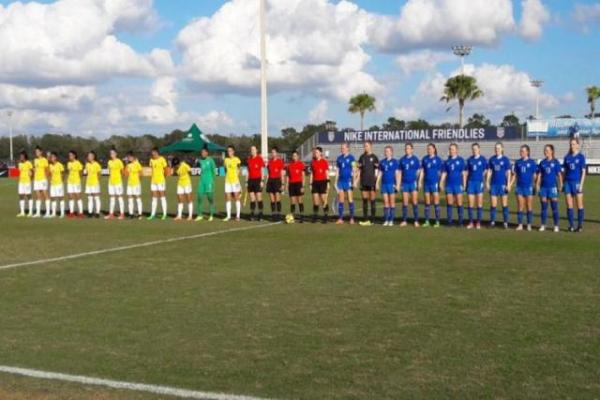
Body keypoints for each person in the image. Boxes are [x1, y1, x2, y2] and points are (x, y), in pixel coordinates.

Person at [510, 145, 537, 231]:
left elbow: (535, 175)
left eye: (523, 151)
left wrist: (535, 185)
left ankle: (529, 224)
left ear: (527, 152)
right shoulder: (518, 162)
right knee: (520, 206)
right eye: (521, 151)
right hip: (519, 187)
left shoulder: (532, 162)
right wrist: (510, 184)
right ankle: (520, 224)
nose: (521, 152)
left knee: (529, 206)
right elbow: (515, 175)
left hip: (528, 187)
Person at [536, 144, 562, 233]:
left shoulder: (556, 162)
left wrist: (560, 184)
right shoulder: (542, 162)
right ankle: (543, 225)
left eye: (547, 150)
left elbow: (559, 175)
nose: (546, 151)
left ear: (552, 151)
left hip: (553, 187)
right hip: (543, 187)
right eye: (545, 150)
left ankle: (556, 226)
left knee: (554, 207)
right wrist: (537, 184)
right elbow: (539, 175)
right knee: (544, 207)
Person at [563, 138, 586, 232]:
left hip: (576, 183)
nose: (572, 146)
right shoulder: (567, 157)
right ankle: (571, 225)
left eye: (573, 144)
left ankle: (580, 226)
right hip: (568, 183)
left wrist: (581, 185)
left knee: (579, 205)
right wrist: (563, 183)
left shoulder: (581, 157)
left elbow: (583, 172)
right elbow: (565, 171)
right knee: (569, 205)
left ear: (577, 145)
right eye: (571, 144)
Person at [486, 143, 512, 229]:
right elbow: (489, 171)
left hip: (503, 184)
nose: (497, 150)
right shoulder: (492, 159)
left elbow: (508, 172)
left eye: (499, 148)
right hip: (493, 184)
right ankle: (492, 222)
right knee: (493, 205)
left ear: (502, 149)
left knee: (504, 204)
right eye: (496, 148)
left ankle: (505, 223)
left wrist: (508, 184)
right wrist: (487, 182)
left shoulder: (505, 160)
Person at [440, 143, 466, 227]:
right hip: (449, 185)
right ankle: (449, 221)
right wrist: (441, 182)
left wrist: (464, 184)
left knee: (459, 203)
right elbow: (444, 173)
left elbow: (463, 174)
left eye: (453, 149)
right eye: (450, 149)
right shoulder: (447, 161)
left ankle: (460, 222)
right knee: (449, 203)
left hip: (458, 185)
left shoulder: (461, 160)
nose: (451, 151)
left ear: (456, 150)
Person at [419, 144, 443, 228]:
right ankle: (427, 221)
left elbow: (440, 173)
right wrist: (419, 181)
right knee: (427, 203)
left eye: (430, 148)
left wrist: (440, 183)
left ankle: (437, 221)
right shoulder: (425, 159)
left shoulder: (438, 159)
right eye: (428, 149)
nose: (429, 150)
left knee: (436, 202)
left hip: (434, 183)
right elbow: (422, 171)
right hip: (426, 183)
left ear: (434, 149)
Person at [465, 143, 487, 229]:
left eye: (476, 149)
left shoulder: (483, 159)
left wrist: (482, 176)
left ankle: (478, 223)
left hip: (479, 183)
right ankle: (471, 222)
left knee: (479, 204)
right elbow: (467, 172)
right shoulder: (469, 160)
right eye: (473, 149)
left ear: (479, 149)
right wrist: (465, 183)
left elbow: (486, 169)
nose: (474, 150)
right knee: (470, 204)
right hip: (471, 183)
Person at [398, 143, 421, 227]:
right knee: (405, 202)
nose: (406, 150)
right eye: (406, 148)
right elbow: (400, 172)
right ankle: (404, 220)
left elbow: (419, 171)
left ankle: (416, 221)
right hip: (405, 183)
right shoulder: (402, 160)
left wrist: (417, 180)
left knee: (414, 202)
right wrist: (399, 183)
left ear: (412, 149)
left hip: (413, 183)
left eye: (408, 148)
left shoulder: (415, 159)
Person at [357, 141, 379, 226]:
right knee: (365, 200)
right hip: (364, 181)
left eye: (366, 146)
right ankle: (365, 219)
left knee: (372, 200)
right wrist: (356, 178)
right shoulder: (362, 157)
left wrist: (376, 181)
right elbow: (359, 169)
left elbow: (377, 171)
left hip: (372, 182)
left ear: (371, 146)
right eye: (364, 146)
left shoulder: (374, 157)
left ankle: (373, 220)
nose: (365, 147)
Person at [377, 145, 400, 226]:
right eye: (385, 151)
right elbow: (380, 173)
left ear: (391, 152)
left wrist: (397, 185)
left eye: (387, 151)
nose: (386, 152)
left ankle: (391, 220)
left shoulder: (395, 162)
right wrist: (377, 182)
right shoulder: (382, 162)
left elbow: (397, 174)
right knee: (386, 202)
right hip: (384, 184)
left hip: (391, 184)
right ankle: (386, 219)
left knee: (392, 202)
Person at [335, 143, 357, 224]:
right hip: (341, 181)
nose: (342, 149)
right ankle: (340, 219)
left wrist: (354, 181)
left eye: (343, 148)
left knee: (350, 200)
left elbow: (354, 169)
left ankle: (352, 219)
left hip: (348, 181)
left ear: (348, 148)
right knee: (341, 200)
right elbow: (337, 171)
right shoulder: (339, 158)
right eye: (341, 148)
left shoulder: (352, 158)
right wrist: (335, 182)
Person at [196, 147, 217, 222]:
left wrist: (212, 181)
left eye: (204, 152)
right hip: (201, 181)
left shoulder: (210, 160)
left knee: (210, 198)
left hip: (209, 182)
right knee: (199, 197)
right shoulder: (200, 161)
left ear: (207, 153)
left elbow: (214, 171)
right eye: (202, 152)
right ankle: (200, 215)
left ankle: (211, 215)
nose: (203, 153)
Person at [310, 147, 330, 223]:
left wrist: (328, 183)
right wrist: (310, 184)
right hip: (315, 183)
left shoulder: (324, 162)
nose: (316, 153)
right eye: (315, 152)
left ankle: (325, 216)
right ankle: (315, 216)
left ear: (321, 153)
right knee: (315, 201)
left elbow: (327, 173)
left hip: (323, 182)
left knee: (323, 200)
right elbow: (312, 174)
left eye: (317, 152)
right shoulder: (313, 162)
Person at [148, 147, 168, 221]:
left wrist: (163, 178)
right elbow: (152, 169)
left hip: (161, 181)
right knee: (154, 198)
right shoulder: (151, 160)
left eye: (154, 152)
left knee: (162, 196)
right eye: (152, 152)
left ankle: (164, 214)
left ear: (157, 152)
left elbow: (166, 170)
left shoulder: (162, 159)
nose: (153, 153)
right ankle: (152, 214)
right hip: (153, 181)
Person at [246, 145, 266, 221]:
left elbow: (262, 170)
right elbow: (248, 171)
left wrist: (262, 180)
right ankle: (252, 215)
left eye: (253, 149)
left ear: (256, 150)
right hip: (250, 180)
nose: (252, 151)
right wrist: (246, 181)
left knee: (259, 198)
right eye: (251, 149)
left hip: (258, 180)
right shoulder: (249, 159)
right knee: (252, 198)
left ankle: (260, 215)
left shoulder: (259, 159)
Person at [223, 145, 242, 222]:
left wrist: (236, 177)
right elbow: (225, 169)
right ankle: (228, 216)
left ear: (233, 151)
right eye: (228, 151)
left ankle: (238, 216)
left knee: (237, 198)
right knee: (228, 198)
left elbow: (239, 169)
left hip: (235, 181)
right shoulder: (226, 160)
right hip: (227, 181)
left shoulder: (237, 159)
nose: (229, 152)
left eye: (230, 151)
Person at [106, 148, 125, 220]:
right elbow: (109, 171)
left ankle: (122, 214)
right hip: (111, 182)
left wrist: (119, 179)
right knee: (112, 198)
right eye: (110, 153)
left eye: (113, 153)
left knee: (120, 197)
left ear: (116, 154)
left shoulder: (119, 161)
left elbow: (122, 172)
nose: (111, 154)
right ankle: (111, 214)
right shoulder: (109, 162)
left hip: (118, 182)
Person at [267, 147, 286, 221]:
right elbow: (268, 172)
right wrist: (266, 181)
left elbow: (282, 173)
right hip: (270, 181)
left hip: (277, 181)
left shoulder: (280, 161)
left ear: (277, 153)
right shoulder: (270, 162)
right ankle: (273, 214)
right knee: (272, 199)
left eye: (274, 152)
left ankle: (278, 214)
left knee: (277, 198)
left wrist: (283, 184)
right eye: (272, 152)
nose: (272, 153)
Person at [286, 150, 305, 222]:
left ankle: (302, 216)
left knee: (299, 200)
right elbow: (288, 176)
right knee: (292, 201)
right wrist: (287, 185)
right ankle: (292, 217)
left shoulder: (301, 164)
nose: (294, 157)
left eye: (295, 156)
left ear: (298, 156)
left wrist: (302, 186)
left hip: (299, 184)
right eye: (293, 156)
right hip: (291, 185)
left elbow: (303, 176)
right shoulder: (289, 165)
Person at [32, 146, 50, 218]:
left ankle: (48, 212)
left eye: (38, 151)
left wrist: (45, 179)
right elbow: (35, 169)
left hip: (43, 179)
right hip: (36, 180)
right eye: (35, 152)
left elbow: (47, 170)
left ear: (41, 152)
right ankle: (38, 212)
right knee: (38, 196)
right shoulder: (35, 160)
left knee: (45, 195)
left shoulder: (44, 160)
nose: (36, 153)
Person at [125, 151, 143, 219]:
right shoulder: (128, 165)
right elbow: (126, 175)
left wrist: (138, 182)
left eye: (130, 157)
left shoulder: (137, 164)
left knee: (138, 198)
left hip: (136, 184)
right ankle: (131, 214)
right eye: (128, 157)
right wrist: (126, 166)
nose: (129, 158)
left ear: (133, 157)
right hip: (129, 184)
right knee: (130, 199)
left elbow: (141, 173)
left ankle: (140, 214)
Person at [66, 150, 84, 218]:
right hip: (70, 182)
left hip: (76, 182)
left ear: (74, 156)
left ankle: (81, 213)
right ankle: (71, 213)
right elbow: (68, 172)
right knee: (70, 197)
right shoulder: (69, 163)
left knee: (78, 197)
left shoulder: (78, 163)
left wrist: (78, 179)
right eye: (69, 155)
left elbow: (81, 172)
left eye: (70, 155)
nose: (69, 156)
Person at [84, 151, 102, 218]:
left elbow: (99, 174)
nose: (89, 157)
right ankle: (90, 212)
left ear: (93, 157)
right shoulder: (87, 164)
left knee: (96, 198)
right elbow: (86, 173)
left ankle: (97, 213)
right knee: (89, 198)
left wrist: (97, 181)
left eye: (90, 156)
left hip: (95, 183)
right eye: (88, 156)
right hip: (88, 183)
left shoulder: (97, 164)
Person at [48, 152, 65, 218]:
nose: (51, 158)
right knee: (52, 198)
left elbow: (63, 174)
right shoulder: (50, 165)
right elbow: (49, 174)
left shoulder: (60, 165)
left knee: (60, 198)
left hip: (59, 184)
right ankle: (53, 213)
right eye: (51, 157)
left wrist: (61, 182)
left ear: (56, 158)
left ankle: (62, 213)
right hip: (52, 184)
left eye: (52, 157)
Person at [17, 151, 33, 218]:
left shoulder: (28, 163)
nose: (21, 157)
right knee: (21, 196)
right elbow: (19, 172)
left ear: (25, 156)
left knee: (28, 196)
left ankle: (30, 212)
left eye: (22, 156)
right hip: (21, 182)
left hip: (27, 182)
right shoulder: (19, 164)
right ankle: (22, 212)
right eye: (20, 156)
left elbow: (32, 171)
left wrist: (31, 177)